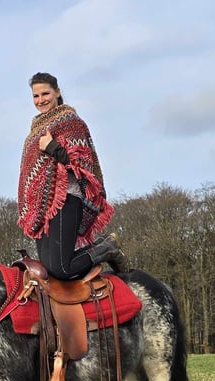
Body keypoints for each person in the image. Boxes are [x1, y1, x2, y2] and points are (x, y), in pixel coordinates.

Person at [17, 72, 130, 280]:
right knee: (49, 273)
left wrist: (51, 147)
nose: (40, 100)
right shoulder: (34, 131)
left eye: (45, 93)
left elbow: (80, 163)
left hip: (67, 199)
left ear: (57, 92)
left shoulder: (70, 122)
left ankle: (108, 247)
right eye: (35, 96)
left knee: (62, 268)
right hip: (43, 210)